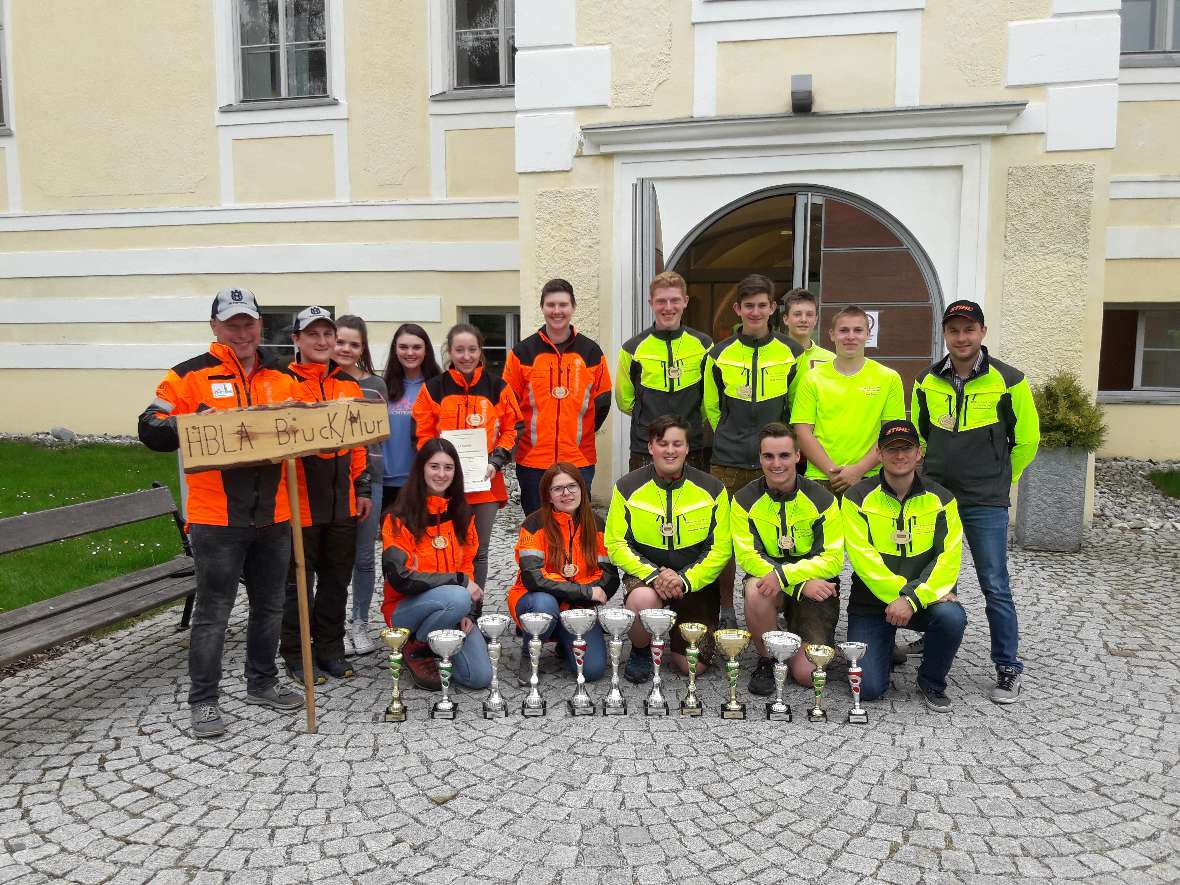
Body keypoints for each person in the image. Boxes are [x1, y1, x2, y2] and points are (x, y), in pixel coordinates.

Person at [137, 287, 302, 739]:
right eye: (232, 323)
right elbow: (149, 427)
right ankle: (204, 701)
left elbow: (305, 429)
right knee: (214, 611)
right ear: (215, 327)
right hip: (215, 517)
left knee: (270, 605)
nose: (242, 332)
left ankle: (262, 681)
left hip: (274, 514)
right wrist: (191, 424)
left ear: (260, 326)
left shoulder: (283, 376)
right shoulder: (188, 376)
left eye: (249, 322)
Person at [911, 299, 1040, 704]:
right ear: (945, 335)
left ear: (982, 333)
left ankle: (1007, 665)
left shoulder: (1009, 380)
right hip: (937, 496)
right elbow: (917, 438)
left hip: (986, 498)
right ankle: (935, 639)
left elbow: (1028, 440)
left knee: (994, 584)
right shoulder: (926, 380)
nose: (961, 337)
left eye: (969, 329)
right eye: (954, 330)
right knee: (934, 575)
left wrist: (1004, 478)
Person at [842, 420, 967, 712]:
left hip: (922, 601)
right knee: (869, 689)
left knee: (952, 616)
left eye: (906, 448)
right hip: (871, 603)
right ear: (879, 453)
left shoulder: (943, 500)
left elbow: (948, 558)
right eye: (891, 449)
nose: (900, 455)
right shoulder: (856, 498)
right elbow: (863, 559)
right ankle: (885, 647)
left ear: (919, 452)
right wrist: (902, 597)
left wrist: (911, 599)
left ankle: (931, 681)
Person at [702, 273, 804, 620]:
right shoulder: (718, 354)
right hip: (728, 461)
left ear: (773, 308)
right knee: (726, 539)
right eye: (749, 306)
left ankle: (780, 604)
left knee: (778, 533)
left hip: (775, 462)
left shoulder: (792, 353)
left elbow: (796, 407)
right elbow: (712, 408)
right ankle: (728, 606)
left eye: (762, 305)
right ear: (738, 309)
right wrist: (730, 435)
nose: (756, 312)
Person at [279, 307, 372, 684]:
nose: (321, 342)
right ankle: (297, 653)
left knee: (336, 582)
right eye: (312, 335)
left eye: (326, 335)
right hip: (298, 504)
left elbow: (359, 444)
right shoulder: (281, 384)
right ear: (296, 340)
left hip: (342, 503)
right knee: (298, 584)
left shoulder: (347, 386)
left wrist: (362, 487)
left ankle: (330, 648)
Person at [604, 415, 731, 682]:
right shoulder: (626, 487)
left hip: (694, 581)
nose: (670, 450)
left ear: (687, 448)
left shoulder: (712, 488)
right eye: (662, 443)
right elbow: (616, 543)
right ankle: (640, 650)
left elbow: (720, 548)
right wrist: (654, 576)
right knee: (643, 600)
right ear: (651, 447)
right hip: (647, 578)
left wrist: (684, 579)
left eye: (677, 444)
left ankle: (675, 635)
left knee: (692, 668)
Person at [731, 423, 844, 695]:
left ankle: (795, 630)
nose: (776, 463)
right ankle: (767, 660)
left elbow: (833, 559)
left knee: (807, 674)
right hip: (787, 584)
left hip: (816, 586)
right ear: (760, 458)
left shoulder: (823, 499)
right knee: (754, 589)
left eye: (784, 455)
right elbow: (748, 557)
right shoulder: (743, 500)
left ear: (797, 456)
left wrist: (785, 577)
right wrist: (796, 584)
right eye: (768, 456)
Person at [413, 323, 522, 590]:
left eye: (472, 349)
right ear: (450, 351)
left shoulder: (497, 387)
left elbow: (513, 428)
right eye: (459, 350)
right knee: (447, 548)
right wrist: (438, 465)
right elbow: (422, 435)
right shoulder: (433, 389)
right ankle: (450, 608)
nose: (466, 356)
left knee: (480, 551)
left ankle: (475, 611)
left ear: (480, 351)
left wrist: (496, 461)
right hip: (444, 484)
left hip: (485, 481)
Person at [380, 438, 492, 691]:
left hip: (453, 607)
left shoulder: (463, 514)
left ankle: (440, 648)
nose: (441, 474)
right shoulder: (398, 518)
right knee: (458, 596)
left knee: (479, 677)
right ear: (421, 469)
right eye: (434, 466)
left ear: (456, 472)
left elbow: (467, 566)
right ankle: (415, 646)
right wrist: (459, 584)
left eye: (448, 467)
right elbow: (401, 578)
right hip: (405, 609)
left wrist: (469, 615)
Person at [503, 279, 612, 517]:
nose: (557, 311)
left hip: (578, 460)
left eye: (563, 304)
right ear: (542, 308)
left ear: (573, 307)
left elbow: (602, 402)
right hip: (533, 461)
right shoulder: (523, 352)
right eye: (550, 304)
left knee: (576, 526)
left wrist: (578, 434)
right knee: (536, 525)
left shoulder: (591, 352)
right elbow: (508, 405)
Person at [507, 463, 619, 686]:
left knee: (593, 670)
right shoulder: (533, 524)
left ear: (582, 488)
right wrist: (585, 591)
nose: (566, 493)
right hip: (535, 602)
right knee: (544, 602)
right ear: (548, 496)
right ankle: (530, 655)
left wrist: (577, 596)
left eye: (572, 486)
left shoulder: (597, 525)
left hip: (576, 609)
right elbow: (533, 579)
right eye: (558, 489)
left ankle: (563, 640)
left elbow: (610, 578)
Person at [793, 305, 905, 495]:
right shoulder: (812, 378)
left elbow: (891, 432)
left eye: (858, 330)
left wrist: (858, 470)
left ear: (868, 334)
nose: (850, 336)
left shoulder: (888, 378)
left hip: (871, 477)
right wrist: (832, 472)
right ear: (832, 334)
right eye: (844, 330)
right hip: (821, 477)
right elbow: (802, 432)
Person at [616, 271, 712, 471]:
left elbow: (709, 399)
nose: (668, 308)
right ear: (651, 303)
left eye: (675, 300)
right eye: (661, 301)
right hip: (646, 447)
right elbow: (624, 400)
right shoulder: (632, 348)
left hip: (690, 446)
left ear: (685, 301)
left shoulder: (704, 345)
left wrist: (691, 422)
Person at [333, 315, 387, 657]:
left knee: (365, 557)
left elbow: (377, 438)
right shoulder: (318, 382)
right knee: (334, 558)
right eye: (341, 342)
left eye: (354, 344)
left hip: (370, 478)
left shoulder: (374, 385)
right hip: (330, 482)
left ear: (362, 348)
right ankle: (333, 626)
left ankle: (360, 623)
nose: (346, 349)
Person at [380, 323, 442, 517]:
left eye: (416, 347)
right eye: (403, 347)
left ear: (426, 351)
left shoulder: (438, 386)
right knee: (391, 545)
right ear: (395, 350)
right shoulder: (382, 387)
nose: (410, 353)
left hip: (425, 480)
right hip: (386, 481)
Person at [781, 288, 835, 404]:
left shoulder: (830, 359)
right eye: (797, 314)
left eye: (809, 315)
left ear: (815, 320)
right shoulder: (773, 355)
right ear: (786, 319)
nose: (804, 320)